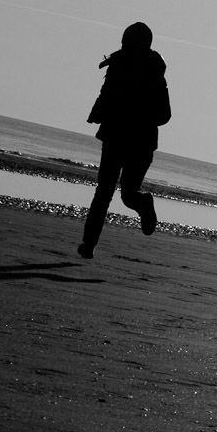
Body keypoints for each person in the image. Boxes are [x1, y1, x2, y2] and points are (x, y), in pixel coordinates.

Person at [78, 22, 171, 259]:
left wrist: (96, 115)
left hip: (116, 136)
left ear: (126, 41)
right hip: (144, 141)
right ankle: (142, 203)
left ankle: (89, 245)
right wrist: (146, 120)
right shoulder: (157, 74)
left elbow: (106, 94)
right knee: (129, 194)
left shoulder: (119, 64)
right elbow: (165, 115)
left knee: (104, 193)